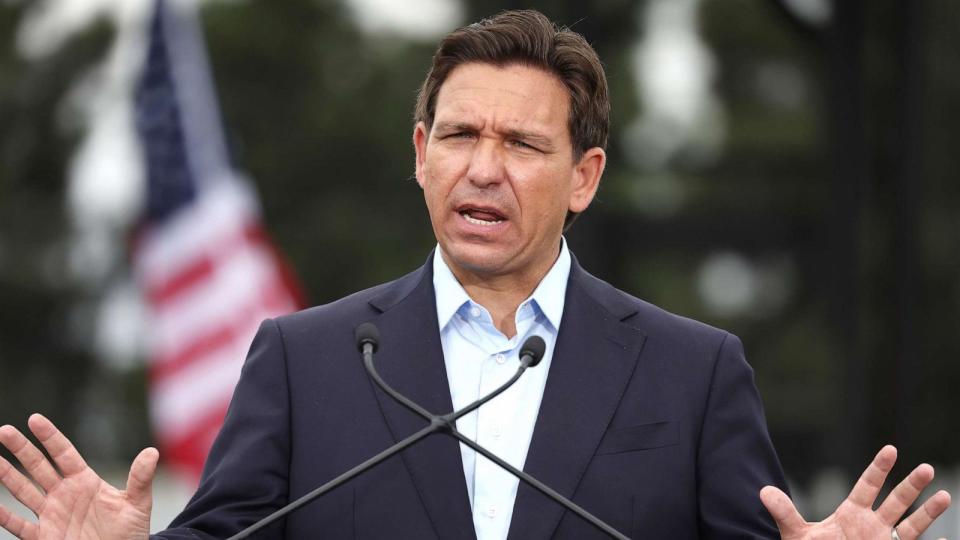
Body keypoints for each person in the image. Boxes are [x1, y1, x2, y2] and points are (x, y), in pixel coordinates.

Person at [0, 9, 951, 540]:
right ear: (420, 153)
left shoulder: (694, 373)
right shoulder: (307, 359)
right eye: (459, 135)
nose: (482, 167)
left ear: (585, 177)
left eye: (523, 143)